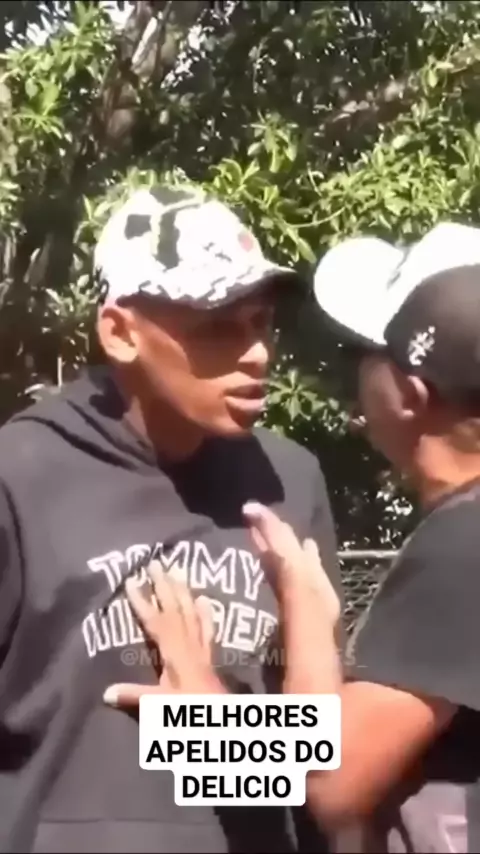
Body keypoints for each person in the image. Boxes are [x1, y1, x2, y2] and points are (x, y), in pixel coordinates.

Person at [0, 183, 343, 854]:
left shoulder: (288, 482)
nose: (257, 354)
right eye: (217, 328)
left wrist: (197, 729)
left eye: (260, 323)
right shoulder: (21, 474)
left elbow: (319, 780)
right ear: (120, 333)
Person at [122, 220, 480, 854]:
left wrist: (190, 715)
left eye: (363, 354)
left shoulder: (464, 545)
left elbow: (328, 784)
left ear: (409, 394)